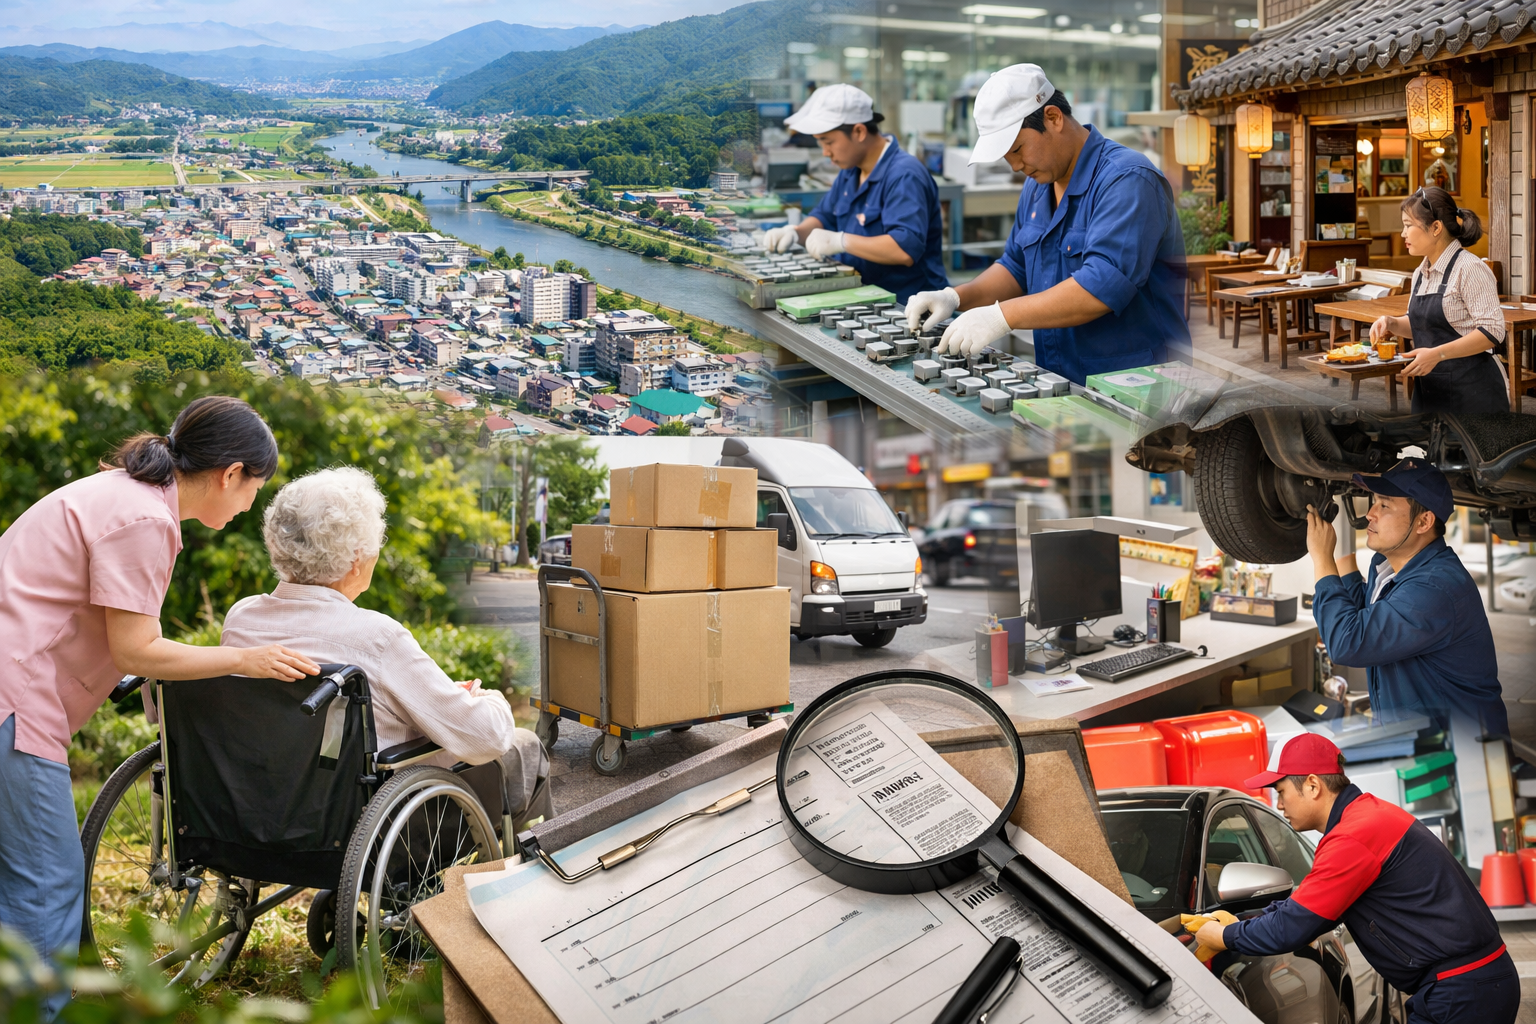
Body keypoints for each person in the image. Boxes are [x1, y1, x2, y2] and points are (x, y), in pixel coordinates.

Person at [0, 396, 317, 1016]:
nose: (253, 504)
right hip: (14, 702)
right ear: (231, 474)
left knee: (16, 879)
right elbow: (138, 647)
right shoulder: (147, 520)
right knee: (48, 882)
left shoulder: (119, 493)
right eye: (255, 488)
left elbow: (119, 634)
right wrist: (241, 659)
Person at [221, 467, 552, 828]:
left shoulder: (241, 619)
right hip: (371, 827)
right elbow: (483, 739)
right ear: (356, 560)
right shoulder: (376, 637)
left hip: (259, 815)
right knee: (523, 746)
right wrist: (491, 701)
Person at [1194, 733, 1518, 1024]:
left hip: (1463, 991)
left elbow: (1296, 925)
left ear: (1311, 785)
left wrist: (1224, 937)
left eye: (1281, 792)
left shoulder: (1353, 836)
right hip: (1471, 984)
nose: (1279, 806)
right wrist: (1244, 920)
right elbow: (1307, 908)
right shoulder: (1363, 819)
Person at [905, 64, 1189, 384]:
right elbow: (1016, 267)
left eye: (1017, 149)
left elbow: (1101, 287)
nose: (1014, 166)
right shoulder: (1039, 186)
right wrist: (955, 297)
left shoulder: (1127, 179)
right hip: (1060, 377)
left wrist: (1002, 317)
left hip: (1137, 382)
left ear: (1053, 118)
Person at [1304, 458, 1506, 736]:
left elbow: (1347, 642)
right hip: (1423, 741)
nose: (1370, 513)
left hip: (1462, 754)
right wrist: (1337, 551)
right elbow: (1363, 615)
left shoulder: (1436, 588)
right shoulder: (1389, 566)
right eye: (1374, 501)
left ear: (1424, 521)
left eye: (1385, 505)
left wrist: (1321, 559)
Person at [761, 83, 948, 302]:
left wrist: (841, 241)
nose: (825, 152)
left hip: (908, 305)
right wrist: (795, 232)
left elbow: (903, 250)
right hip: (863, 295)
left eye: (828, 142)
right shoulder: (851, 170)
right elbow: (825, 217)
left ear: (859, 131)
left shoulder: (905, 175)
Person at [1368, 186, 1508, 414]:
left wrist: (1437, 354)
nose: (1403, 234)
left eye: (1408, 225)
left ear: (1435, 227)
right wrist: (1392, 323)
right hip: (1431, 391)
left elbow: (1492, 332)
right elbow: (1423, 326)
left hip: (1474, 393)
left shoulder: (1470, 268)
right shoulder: (1420, 272)